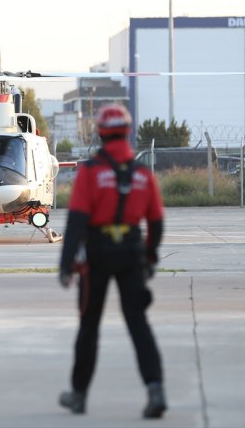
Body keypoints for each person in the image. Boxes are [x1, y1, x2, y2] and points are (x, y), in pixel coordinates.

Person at [57, 103, 166, 419]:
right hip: (131, 252)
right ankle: (155, 389)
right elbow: (156, 224)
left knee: (89, 327)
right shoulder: (144, 174)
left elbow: (76, 222)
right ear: (127, 131)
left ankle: (78, 395)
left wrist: (66, 266)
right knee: (138, 324)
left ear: (101, 133)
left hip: (97, 256)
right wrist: (148, 257)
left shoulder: (91, 172)